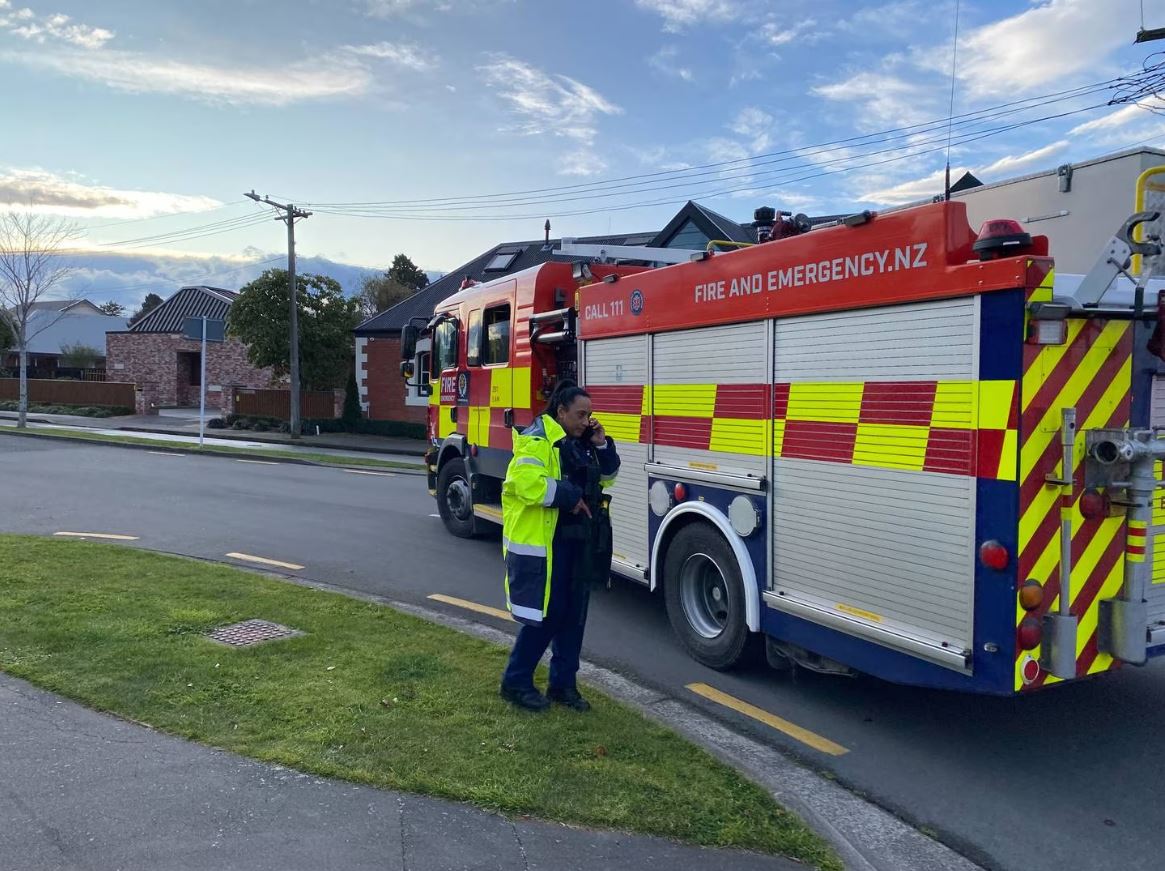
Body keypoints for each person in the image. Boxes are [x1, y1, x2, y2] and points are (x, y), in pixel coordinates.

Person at [499, 380, 620, 712]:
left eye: (589, 415)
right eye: (580, 415)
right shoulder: (537, 439)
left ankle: (563, 687)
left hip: (578, 542)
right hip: (548, 543)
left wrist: (601, 444)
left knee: (573, 617)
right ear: (561, 410)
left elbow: (606, 478)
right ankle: (515, 682)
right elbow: (525, 484)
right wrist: (570, 496)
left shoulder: (580, 442)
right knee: (547, 618)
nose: (585, 421)